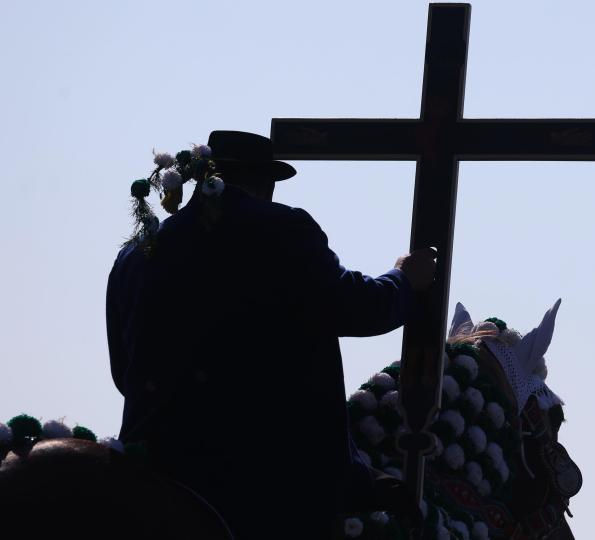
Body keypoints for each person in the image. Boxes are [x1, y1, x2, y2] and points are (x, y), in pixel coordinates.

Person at [106, 130, 436, 537]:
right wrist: (404, 281)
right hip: (263, 487)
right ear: (265, 183)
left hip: (154, 473)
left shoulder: (136, 251)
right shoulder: (282, 229)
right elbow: (355, 306)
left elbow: (125, 372)